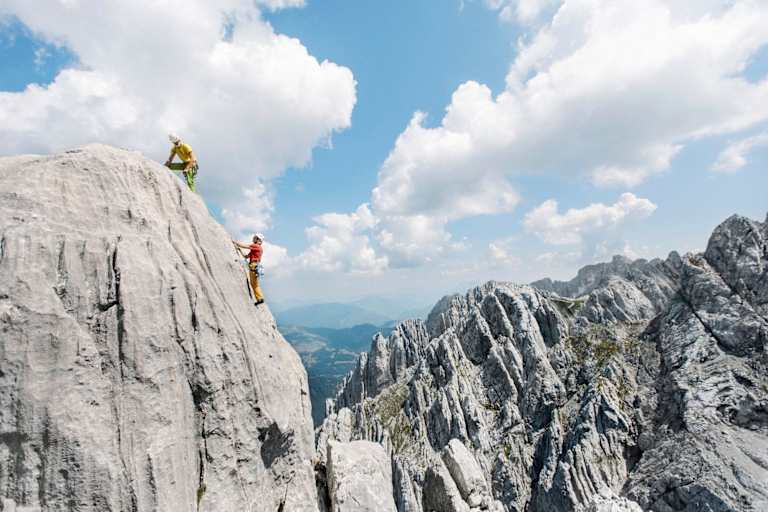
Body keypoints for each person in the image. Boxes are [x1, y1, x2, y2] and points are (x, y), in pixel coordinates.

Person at [233, 233, 265, 306]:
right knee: (255, 284)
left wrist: (235, 242)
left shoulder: (256, 246)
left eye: (255, 237)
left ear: (258, 240)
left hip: (253, 266)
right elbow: (246, 256)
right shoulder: (256, 249)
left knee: (254, 284)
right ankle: (260, 298)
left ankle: (260, 298)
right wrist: (239, 250)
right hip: (256, 266)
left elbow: (245, 246)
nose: (253, 238)